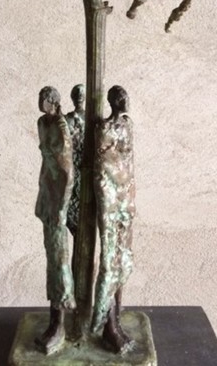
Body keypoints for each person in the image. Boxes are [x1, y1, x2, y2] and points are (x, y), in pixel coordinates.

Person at [91, 85, 135, 353]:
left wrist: (130, 196)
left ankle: (116, 316)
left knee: (125, 257)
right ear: (112, 101)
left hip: (125, 199)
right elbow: (104, 167)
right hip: (109, 199)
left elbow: (130, 163)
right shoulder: (104, 129)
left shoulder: (128, 125)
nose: (125, 101)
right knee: (109, 260)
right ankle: (107, 324)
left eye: (125, 97)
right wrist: (120, 185)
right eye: (120, 98)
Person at [35, 86, 75, 355]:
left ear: (53, 101)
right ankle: (55, 320)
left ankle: (59, 320)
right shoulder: (42, 123)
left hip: (59, 200)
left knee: (59, 260)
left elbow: (67, 171)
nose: (40, 103)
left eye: (43, 99)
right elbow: (46, 163)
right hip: (47, 196)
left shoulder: (61, 127)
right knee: (51, 256)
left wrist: (62, 207)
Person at [65, 84, 85, 241]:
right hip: (73, 168)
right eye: (76, 94)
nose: (79, 96)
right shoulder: (67, 120)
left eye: (81, 94)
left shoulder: (93, 119)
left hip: (87, 170)